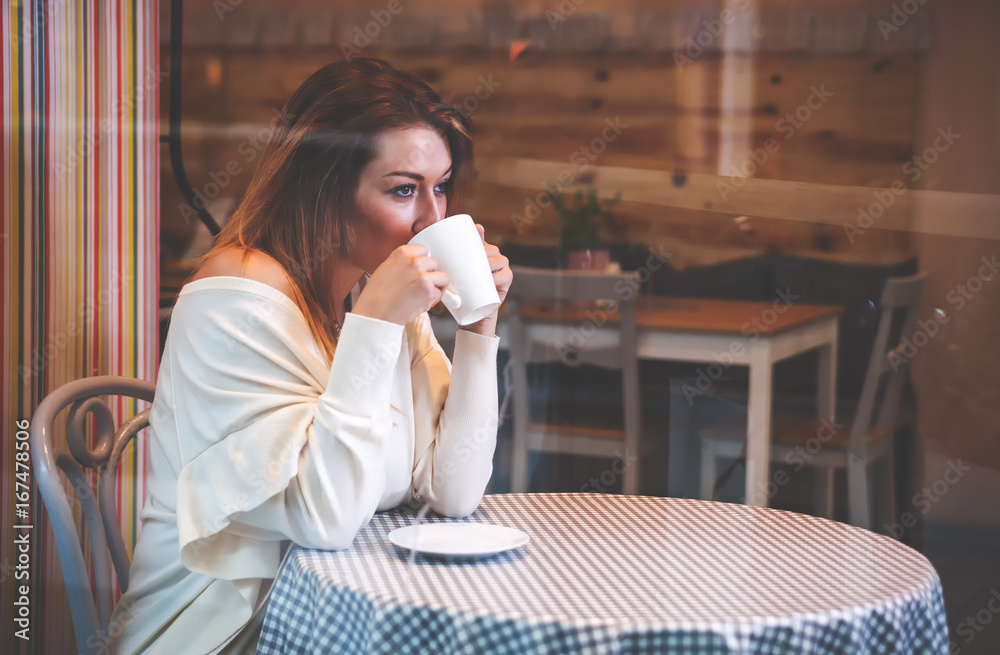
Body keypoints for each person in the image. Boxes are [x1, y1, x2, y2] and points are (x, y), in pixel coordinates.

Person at [107, 58, 511, 654]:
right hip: (226, 636)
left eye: (442, 186)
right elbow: (324, 518)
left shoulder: (376, 299)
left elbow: (452, 493)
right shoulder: (238, 298)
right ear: (324, 189)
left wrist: (478, 328)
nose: (435, 219)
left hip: (336, 625)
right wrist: (375, 322)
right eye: (404, 190)